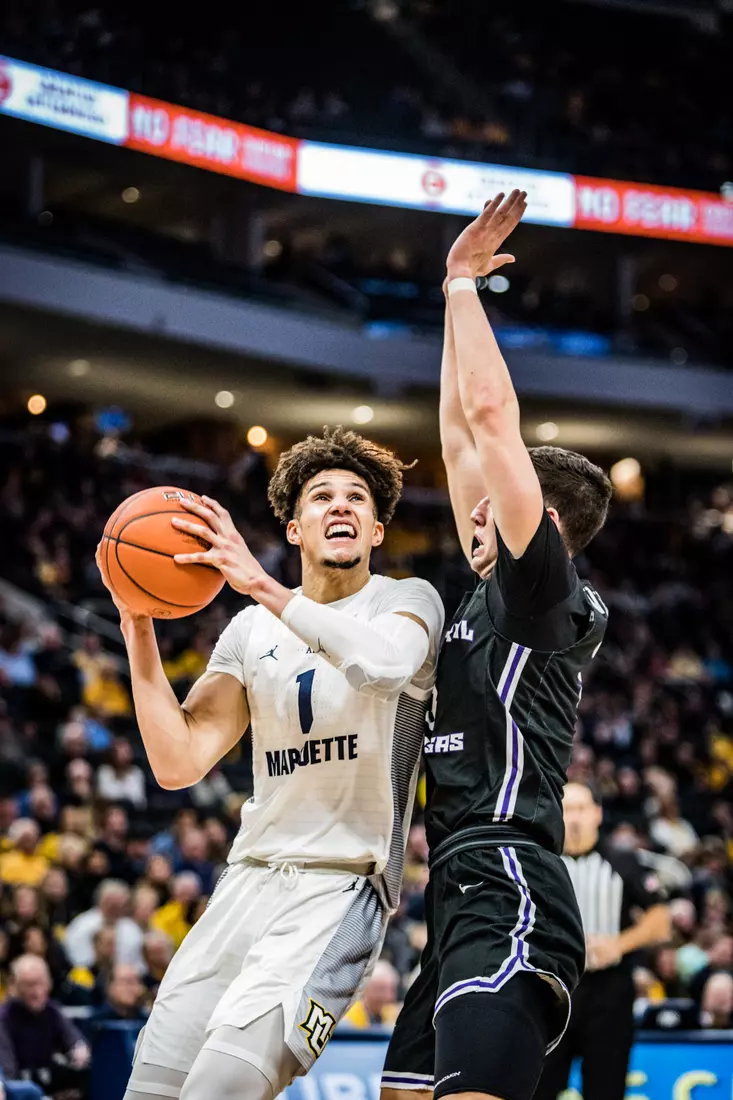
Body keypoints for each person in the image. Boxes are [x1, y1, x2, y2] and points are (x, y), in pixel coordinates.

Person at [97, 427, 444, 1100]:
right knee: (150, 1093)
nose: (340, 507)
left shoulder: (407, 601)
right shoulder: (251, 630)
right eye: (321, 497)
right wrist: (137, 626)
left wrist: (259, 583)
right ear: (294, 528)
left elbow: (382, 668)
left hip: (339, 889)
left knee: (219, 1091)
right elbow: (178, 761)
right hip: (245, 882)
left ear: (376, 531)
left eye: (356, 499)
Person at [381, 192, 614, 1100]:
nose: (470, 499)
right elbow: (455, 433)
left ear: (541, 520)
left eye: (496, 494)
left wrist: (463, 287)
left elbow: (486, 417)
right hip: (459, 889)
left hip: (511, 879)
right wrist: (449, 296)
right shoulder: (486, 591)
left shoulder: (539, 589)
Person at [534, 783, 670, 1100]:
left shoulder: (622, 861)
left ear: (598, 814)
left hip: (608, 994)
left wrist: (618, 945)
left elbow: (661, 920)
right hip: (549, 993)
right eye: (567, 809)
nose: (575, 818)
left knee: (606, 1089)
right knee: (538, 1089)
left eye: (582, 809)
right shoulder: (538, 861)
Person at [0, 955, 90, 1098]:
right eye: (29, 985)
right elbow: (8, 1072)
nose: (36, 992)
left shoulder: (52, 1011)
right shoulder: (4, 1017)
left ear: (49, 983)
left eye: (40, 983)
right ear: (15, 986)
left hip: (48, 1084)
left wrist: (79, 1051)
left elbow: (75, 1042)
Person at [64, 879, 143, 968]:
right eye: (113, 904)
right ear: (102, 901)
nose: (117, 909)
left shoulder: (132, 928)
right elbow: (77, 959)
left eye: (120, 905)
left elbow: (139, 963)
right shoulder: (82, 925)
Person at [344, 960, 401, 1028]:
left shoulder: (394, 1015)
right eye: (380, 990)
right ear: (365, 990)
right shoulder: (347, 1018)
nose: (387, 996)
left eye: (391, 990)